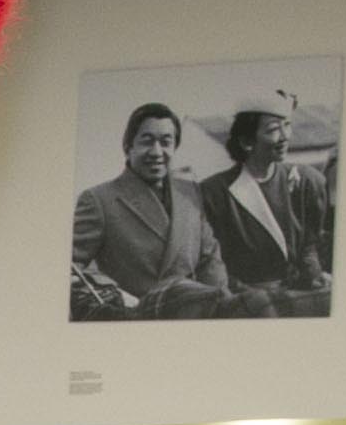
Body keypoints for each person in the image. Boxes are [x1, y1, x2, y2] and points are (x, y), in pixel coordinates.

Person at [73, 102, 229, 316]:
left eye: (166, 142)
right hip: (135, 322)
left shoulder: (190, 192)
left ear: (175, 147)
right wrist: (113, 301)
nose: (157, 152)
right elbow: (72, 269)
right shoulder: (99, 200)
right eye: (147, 142)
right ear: (129, 147)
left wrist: (218, 304)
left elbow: (209, 258)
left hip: (194, 319)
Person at [197, 91, 330, 302]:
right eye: (273, 130)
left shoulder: (307, 181)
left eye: (287, 125)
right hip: (247, 300)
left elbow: (309, 247)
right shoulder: (215, 192)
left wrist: (314, 276)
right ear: (247, 141)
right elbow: (211, 263)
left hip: (299, 293)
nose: (285, 136)